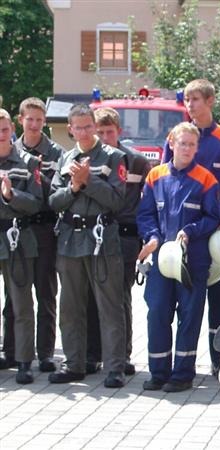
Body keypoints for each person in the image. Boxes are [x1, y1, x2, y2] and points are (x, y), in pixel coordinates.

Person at [162, 79, 220, 375]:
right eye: (187, 99)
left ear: (210, 101)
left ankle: (218, 360)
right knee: (186, 298)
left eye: (195, 99)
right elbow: (165, 179)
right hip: (188, 233)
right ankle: (184, 360)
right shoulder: (178, 136)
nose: (190, 105)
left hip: (218, 231)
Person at [48, 104, 127, 388]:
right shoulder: (65, 158)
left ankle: (115, 367)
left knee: (109, 307)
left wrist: (88, 180)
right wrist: (74, 187)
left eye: (87, 126)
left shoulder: (113, 157)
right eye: (77, 127)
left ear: (94, 126)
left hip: (101, 240)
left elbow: (118, 200)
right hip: (70, 240)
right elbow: (53, 201)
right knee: (70, 307)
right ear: (70, 129)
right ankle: (74, 363)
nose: (82, 132)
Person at [137, 122, 220, 392]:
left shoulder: (207, 179)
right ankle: (158, 372)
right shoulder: (155, 176)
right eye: (182, 143)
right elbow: (146, 213)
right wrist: (152, 237)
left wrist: (190, 231)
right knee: (158, 312)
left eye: (192, 144)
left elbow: (213, 217)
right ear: (171, 143)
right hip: (162, 260)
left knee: (189, 315)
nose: (186, 148)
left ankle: (183, 374)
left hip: (193, 260)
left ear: (197, 148)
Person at [84, 107, 151, 376]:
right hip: (93, 235)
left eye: (109, 132)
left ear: (119, 132)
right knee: (90, 295)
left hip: (124, 235)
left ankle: (121, 355)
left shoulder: (135, 162)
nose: (104, 136)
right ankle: (93, 354)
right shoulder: (87, 159)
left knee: (120, 297)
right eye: (99, 132)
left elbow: (145, 204)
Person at [1, 97, 63, 373]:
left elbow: (50, 193)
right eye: (30, 119)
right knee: (15, 295)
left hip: (44, 228)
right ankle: (12, 351)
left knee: (45, 292)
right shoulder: (11, 150)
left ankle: (45, 353)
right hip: (17, 229)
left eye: (39, 119)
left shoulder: (56, 153)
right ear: (20, 120)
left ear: (45, 121)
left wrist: (33, 176)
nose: (35, 124)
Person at [0, 108, 43, 384]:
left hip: (16, 239)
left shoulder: (28, 162)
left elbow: (37, 202)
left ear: (11, 130)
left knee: (21, 303)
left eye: (4, 129)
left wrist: (11, 194)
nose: (0, 135)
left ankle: (25, 361)